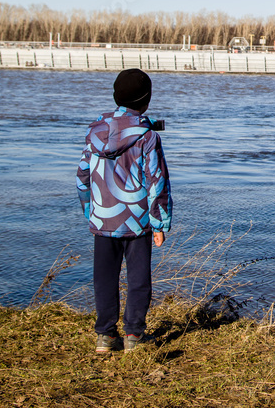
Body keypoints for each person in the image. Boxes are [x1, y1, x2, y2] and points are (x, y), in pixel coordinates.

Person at [76, 68, 172, 353]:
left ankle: (105, 335)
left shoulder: (94, 132)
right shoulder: (147, 137)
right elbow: (157, 182)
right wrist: (160, 223)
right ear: (146, 101)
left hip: (103, 218)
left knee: (103, 277)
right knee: (138, 278)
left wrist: (90, 211)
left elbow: (82, 176)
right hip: (138, 220)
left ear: (116, 97)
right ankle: (134, 335)